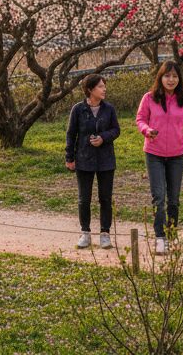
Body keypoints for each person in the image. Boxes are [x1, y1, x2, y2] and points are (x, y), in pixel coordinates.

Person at [135, 61, 183, 254]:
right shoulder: (149, 98)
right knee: (159, 197)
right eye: (167, 76)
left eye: (175, 76)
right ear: (160, 77)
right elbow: (140, 119)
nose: (171, 80)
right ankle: (160, 237)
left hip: (176, 156)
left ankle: (171, 234)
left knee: (174, 199)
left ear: (179, 79)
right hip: (154, 154)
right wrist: (147, 130)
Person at [65, 73, 121, 250]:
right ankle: (85, 233)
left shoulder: (109, 109)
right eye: (100, 86)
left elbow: (116, 130)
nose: (104, 89)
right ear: (90, 89)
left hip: (106, 160)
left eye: (104, 86)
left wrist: (103, 138)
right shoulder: (78, 110)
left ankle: (105, 233)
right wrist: (70, 158)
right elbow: (71, 134)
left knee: (105, 198)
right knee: (84, 199)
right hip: (84, 159)